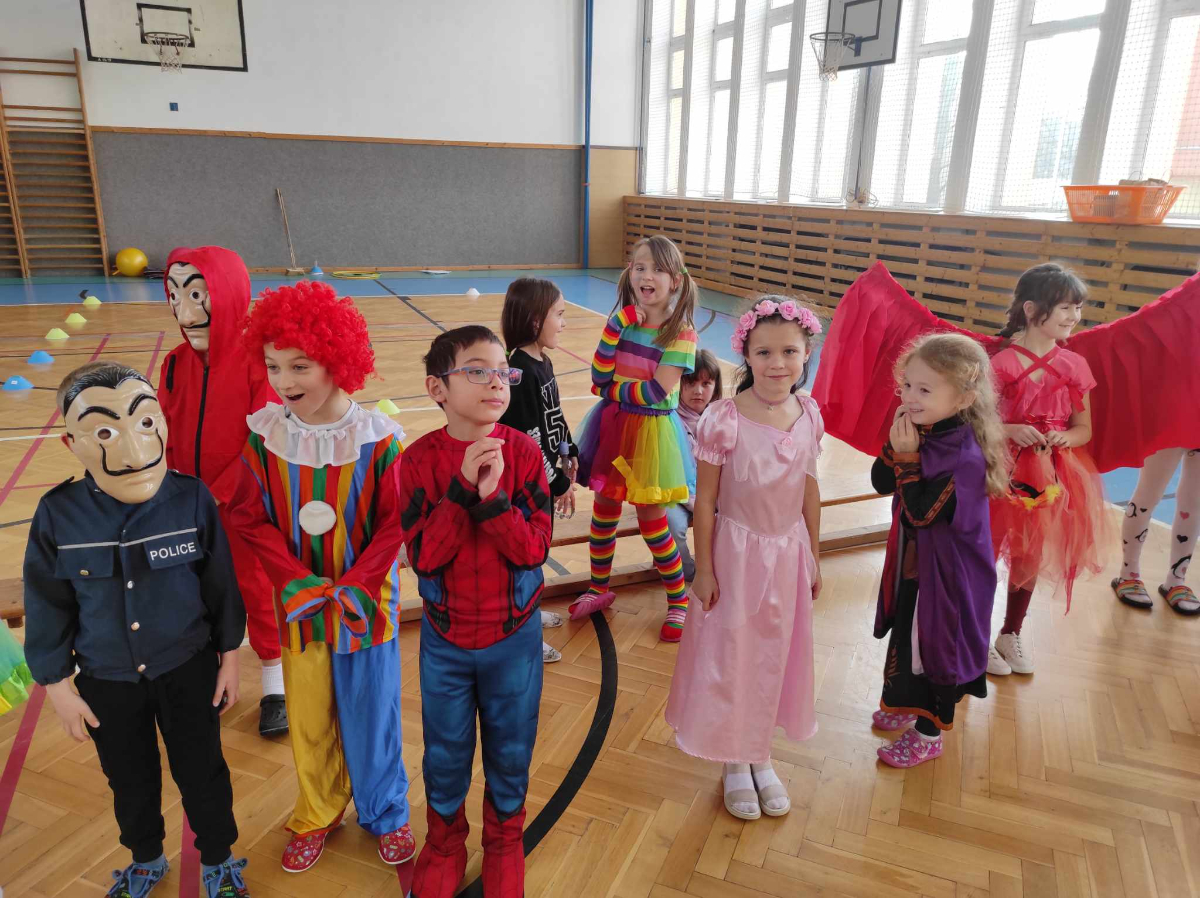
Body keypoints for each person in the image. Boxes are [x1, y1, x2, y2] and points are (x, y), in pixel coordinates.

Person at [23, 362, 250, 898]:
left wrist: (230, 657)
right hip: (108, 680)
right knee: (128, 777)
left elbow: (220, 583)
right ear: (71, 442)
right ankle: (146, 857)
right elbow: (48, 605)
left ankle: (218, 859)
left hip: (187, 667)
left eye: (144, 422)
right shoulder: (57, 514)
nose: (130, 446)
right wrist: (57, 688)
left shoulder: (191, 498)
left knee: (203, 769)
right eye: (104, 432)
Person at [223, 282, 412, 873]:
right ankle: (318, 810)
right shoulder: (265, 437)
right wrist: (294, 580)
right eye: (273, 365)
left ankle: (386, 811)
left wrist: (358, 583)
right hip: (300, 605)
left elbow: (395, 523)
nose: (283, 381)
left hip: (365, 604)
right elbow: (249, 518)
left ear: (337, 360)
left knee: (372, 711)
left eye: (299, 365)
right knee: (307, 716)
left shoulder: (379, 439)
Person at [401, 325, 552, 898]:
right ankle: (444, 844)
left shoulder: (525, 455)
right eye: (477, 371)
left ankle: (504, 842)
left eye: (501, 372)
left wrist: (492, 501)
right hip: (445, 642)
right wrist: (463, 487)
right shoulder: (417, 462)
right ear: (437, 388)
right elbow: (425, 558)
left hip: (513, 640)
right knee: (444, 753)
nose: (496, 382)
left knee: (511, 748)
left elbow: (533, 551)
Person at [665, 297, 823, 820]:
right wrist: (705, 568)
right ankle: (734, 758)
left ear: (806, 353)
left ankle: (760, 752)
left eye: (789, 351)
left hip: (786, 555)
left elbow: (809, 489)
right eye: (764, 352)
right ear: (746, 355)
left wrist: (814, 554)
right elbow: (706, 500)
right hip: (736, 557)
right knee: (733, 654)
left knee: (773, 655)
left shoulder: (808, 414)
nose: (777, 363)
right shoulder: (724, 418)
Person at [158, 246, 285, 737]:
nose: (184, 311)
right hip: (188, 507)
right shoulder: (174, 364)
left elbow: (264, 436)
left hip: (245, 506)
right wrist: (170, 489)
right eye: (175, 295)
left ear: (228, 294)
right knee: (196, 591)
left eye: (197, 295)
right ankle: (214, 677)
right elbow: (163, 430)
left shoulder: (259, 361)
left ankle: (275, 685)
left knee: (256, 590)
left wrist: (218, 493)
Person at [868, 335, 1006, 768]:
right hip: (918, 565)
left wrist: (907, 457)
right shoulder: (923, 430)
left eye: (924, 390)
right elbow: (881, 481)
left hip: (949, 579)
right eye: (907, 385)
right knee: (910, 638)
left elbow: (922, 513)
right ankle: (908, 703)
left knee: (935, 649)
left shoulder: (964, 456)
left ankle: (929, 735)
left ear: (963, 398)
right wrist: (895, 450)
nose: (910, 397)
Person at [985, 264, 1113, 674]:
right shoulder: (1001, 364)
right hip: (998, 472)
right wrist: (1009, 429)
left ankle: (1011, 633)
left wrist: (1064, 438)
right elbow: (976, 423)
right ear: (1031, 309)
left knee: (1029, 554)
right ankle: (975, 635)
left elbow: (1083, 430)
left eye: (1078, 308)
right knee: (985, 552)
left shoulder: (1074, 366)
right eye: (1065, 307)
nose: (1074, 316)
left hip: (1050, 476)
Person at [571, 234, 699, 641]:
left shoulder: (681, 333)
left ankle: (679, 601)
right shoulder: (622, 322)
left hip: (652, 434)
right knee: (604, 512)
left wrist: (611, 391)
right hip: (613, 427)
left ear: (675, 280)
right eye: (640, 267)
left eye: (658, 269)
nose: (647, 276)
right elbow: (597, 375)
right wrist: (615, 326)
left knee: (653, 523)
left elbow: (656, 392)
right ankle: (598, 588)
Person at [498, 277, 579, 663]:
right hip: (525, 488)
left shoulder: (542, 362)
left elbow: (553, 416)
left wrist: (569, 448)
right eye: (558, 315)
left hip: (543, 482)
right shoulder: (518, 371)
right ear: (534, 321)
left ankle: (528, 613)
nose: (564, 323)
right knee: (524, 559)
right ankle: (522, 633)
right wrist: (559, 481)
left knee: (536, 554)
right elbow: (529, 440)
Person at [666, 348, 723, 583]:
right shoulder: (667, 417)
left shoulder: (723, 418)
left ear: (715, 387)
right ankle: (687, 571)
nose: (698, 391)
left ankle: (719, 567)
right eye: (690, 383)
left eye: (706, 383)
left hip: (713, 493)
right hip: (675, 492)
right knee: (670, 525)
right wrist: (691, 500)